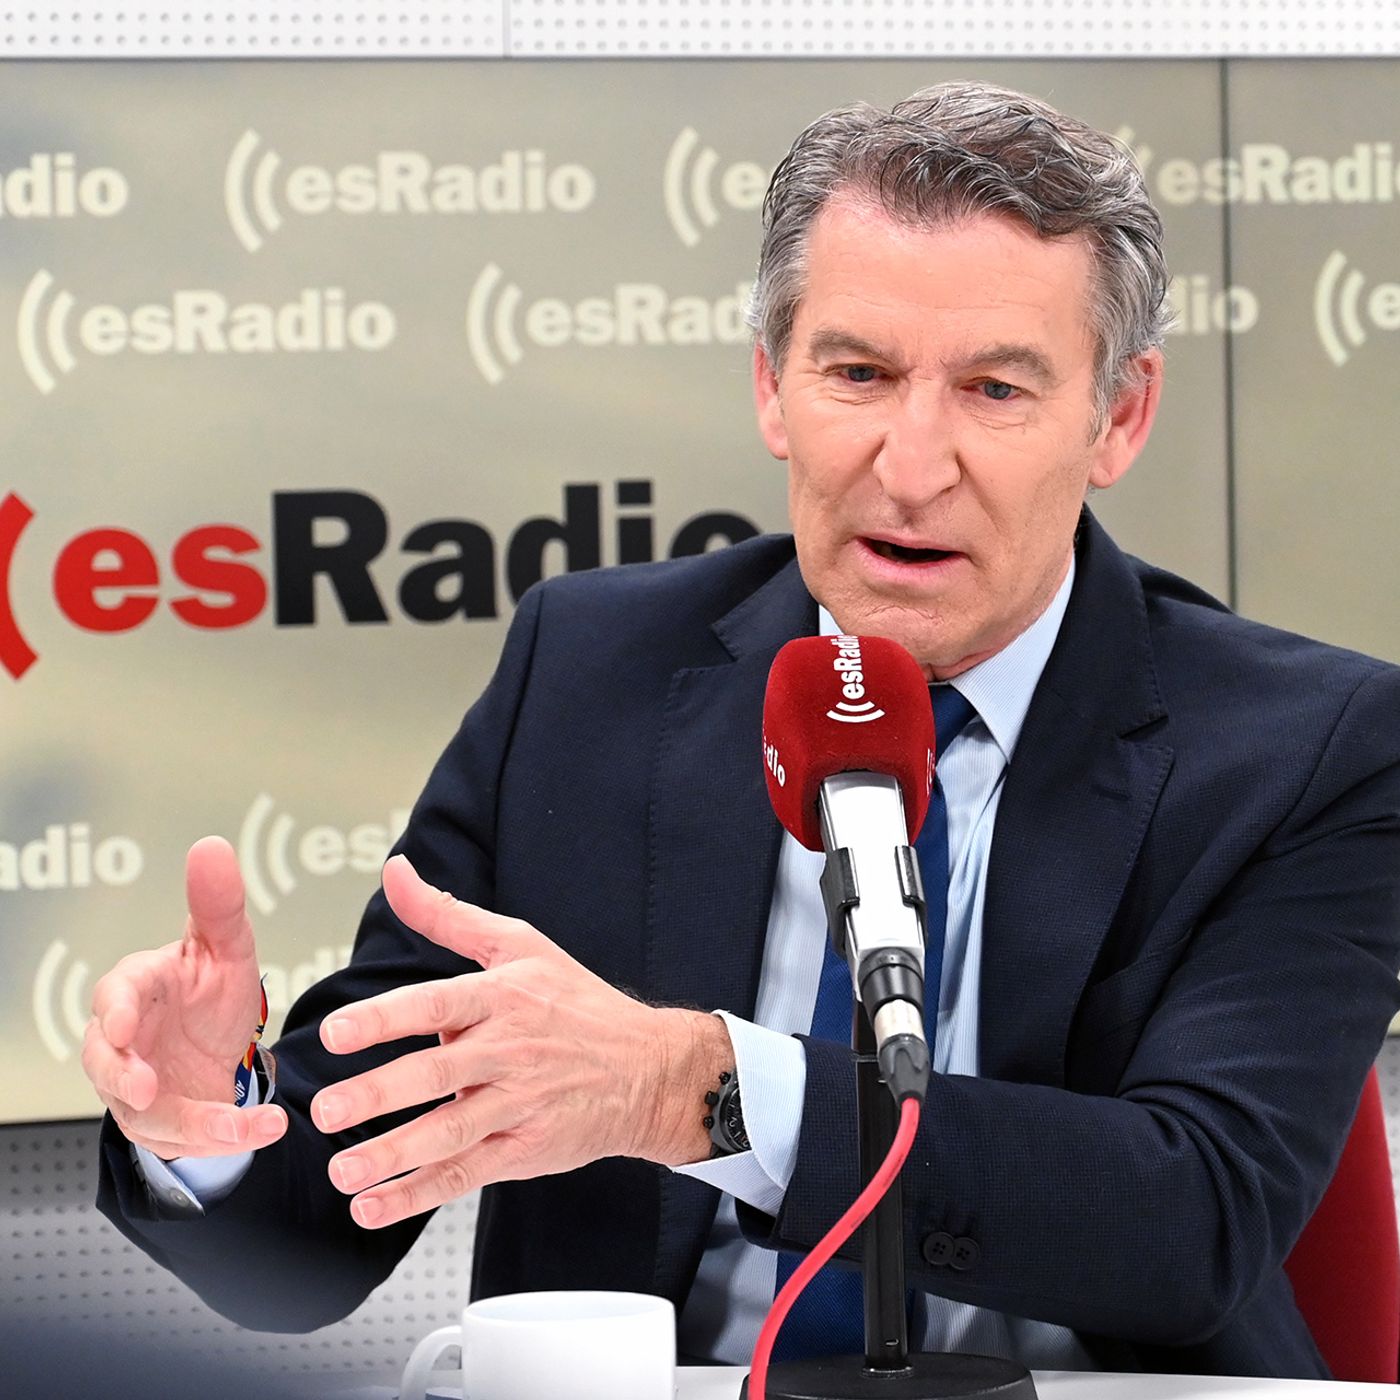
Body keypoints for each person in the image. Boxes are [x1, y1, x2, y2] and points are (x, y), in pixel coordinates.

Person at [87, 82, 1400, 1378]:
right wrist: (209, 1116)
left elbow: (1193, 1220)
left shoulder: (1308, 748)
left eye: (996, 390)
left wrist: (700, 1092)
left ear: (1119, 416)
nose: (912, 466)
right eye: (858, 374)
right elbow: (320, 1226)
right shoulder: (587, 672)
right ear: (773, 387)